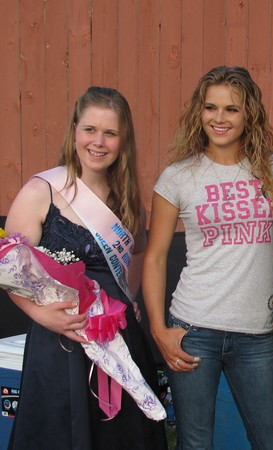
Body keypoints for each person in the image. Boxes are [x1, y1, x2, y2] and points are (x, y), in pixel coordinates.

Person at [5, 87, 168, 449]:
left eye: (110, 133)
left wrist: (128, 294)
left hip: (117, 337)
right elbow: (7, 267)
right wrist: (43, 316)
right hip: (60, 341)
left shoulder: (127, 199)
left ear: (123, 140)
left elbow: (138, 251)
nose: (99, 142)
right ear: (74, 131)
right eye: (90, 130)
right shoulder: (41, 191)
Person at [142, 66, 273, 450]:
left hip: (257, 335)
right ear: (199, 112)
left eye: (232, 109)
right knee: (194, 443)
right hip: (194, 330)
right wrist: (160, 331)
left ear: (249, 114)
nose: (219, 119)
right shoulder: (178, 177)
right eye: (211, 108)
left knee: (272, 443)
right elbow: (156, 258)